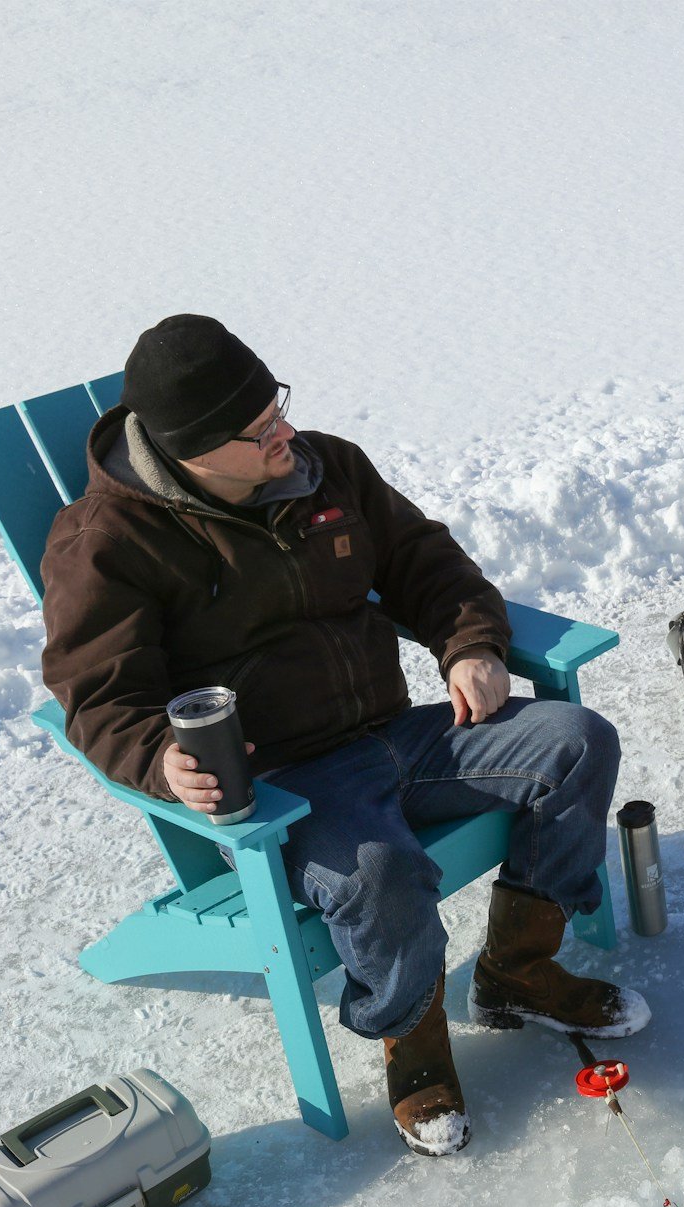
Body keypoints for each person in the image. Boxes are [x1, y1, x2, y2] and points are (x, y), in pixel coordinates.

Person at [40, 314, 643, 1157]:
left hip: (402, 736)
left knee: (577, 739)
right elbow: (97, 694)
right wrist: (159, 760)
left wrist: (469, 644)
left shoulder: (328, 470)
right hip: (285, 790)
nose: (285, 432)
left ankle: (515, 971)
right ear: (192, 454)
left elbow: (424, 564)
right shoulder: (105, 544)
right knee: (380, 871)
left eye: (277, 406)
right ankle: (414, 1036)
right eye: (258, 433)